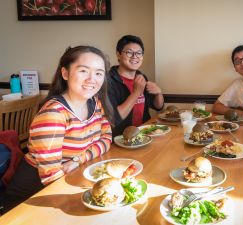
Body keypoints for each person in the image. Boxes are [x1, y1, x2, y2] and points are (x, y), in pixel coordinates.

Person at [2, 46, 113, 212]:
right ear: (65, 73)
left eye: (99, 73)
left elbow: (107, 139)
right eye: (83, 71)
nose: (92, 79)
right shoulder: (54, 114)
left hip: (68, 180)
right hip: (32, 200)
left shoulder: (94, 102)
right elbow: (51, 178)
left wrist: (77, 160)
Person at [108, 35, 164, 136]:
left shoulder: (141, 77)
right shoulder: (109, 81)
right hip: (120, 139)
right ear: (118, 55)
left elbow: (157, 106)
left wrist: (159, 93)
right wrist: (136, 93)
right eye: (129, 52)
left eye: (139, 53)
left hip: (143, 135)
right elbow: (114, 118)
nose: (135, 56)